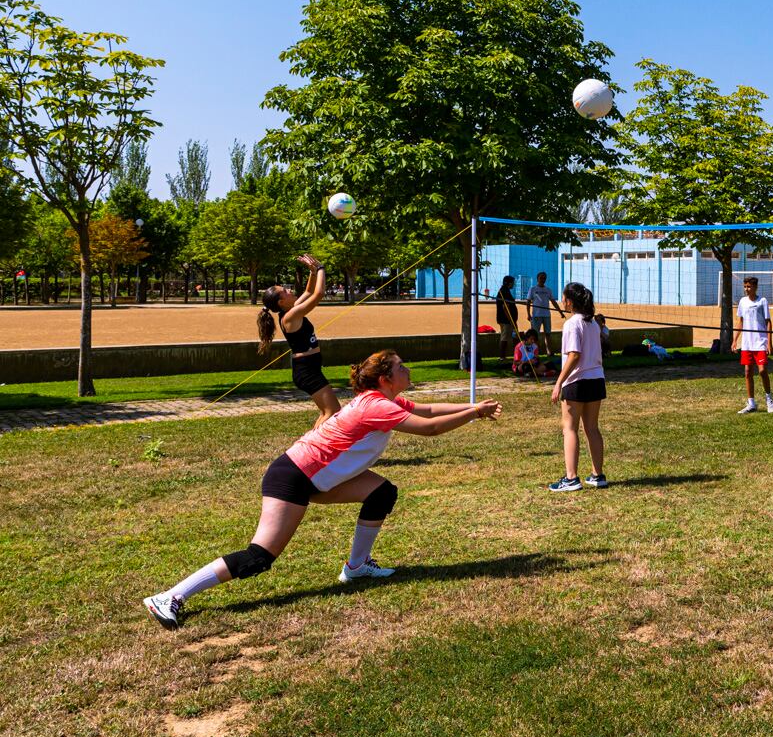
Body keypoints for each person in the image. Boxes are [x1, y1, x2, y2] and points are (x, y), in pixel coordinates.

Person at [142, 351, 501, 629]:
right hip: (293, 477)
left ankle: (357, 567)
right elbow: (430, 428)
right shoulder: (375, 405)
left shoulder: (385, 399)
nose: (407, 370)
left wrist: (474, 408)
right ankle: (169, 596)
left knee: (381, 492)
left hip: (316, 478)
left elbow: (428, 407)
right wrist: (474, 414)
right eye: (401, 366)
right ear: (385, 377)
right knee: (259, 557)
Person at [257, 253, 341, 428]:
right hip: (306, 371)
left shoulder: (291, 310)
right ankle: (310, 450)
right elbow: (319, 294)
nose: (290, 291)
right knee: (332, 411)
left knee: (328, 411)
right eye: (285, 291)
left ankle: (313, 450)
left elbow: (309, 291)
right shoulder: (290, 316)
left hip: (309, 368)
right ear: (281, 302)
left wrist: (312, 272)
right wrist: (321, 268)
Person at [549, 282, 611, 492]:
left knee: (570, 429)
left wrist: (558, 382)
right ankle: (597, 475)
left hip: (577, 381)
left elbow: (574, 355)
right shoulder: (593, 323)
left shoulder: (572, 323)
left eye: (563, 297)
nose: (561, 301)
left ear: (570, 301)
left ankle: (571, 478)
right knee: (592, 428)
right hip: (596, 379)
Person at [736, 276, 773, 414]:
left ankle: (769, 398)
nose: (747, 289)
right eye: (745, 286)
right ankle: (751, 403)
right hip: (747, 343)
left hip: (760, 342)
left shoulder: (762, 301)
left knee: (762, 371)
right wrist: (735, 340)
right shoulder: (742, 302)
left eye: (749, 286)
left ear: (755, 287)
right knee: (748, 371)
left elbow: (768, 322)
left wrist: (769, 343)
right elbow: (740, 321)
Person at [527, 271, 561, 357]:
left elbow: (553, 302)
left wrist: (560, 312)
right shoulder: (533, 289)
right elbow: (528, 302)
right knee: (534, 335)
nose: (543, 279)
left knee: (548, 334)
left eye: (544, 278)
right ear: (537, 279)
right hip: (536, 316)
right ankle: (535, 353)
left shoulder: (548, 290)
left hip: (546, 315)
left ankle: (549, 352)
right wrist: (528, 314)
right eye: (541, 278)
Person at [494, 275, 521, 363]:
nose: (513, 284)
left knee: (514, 336)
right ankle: (502, 357)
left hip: (507, 320)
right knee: (504, 338)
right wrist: (511, 320)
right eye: (512, 282)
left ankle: (516, 355)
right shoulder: (504, 291)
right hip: (506, 320)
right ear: (508, 283)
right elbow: (505, 307)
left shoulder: (505, 291)